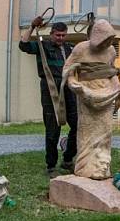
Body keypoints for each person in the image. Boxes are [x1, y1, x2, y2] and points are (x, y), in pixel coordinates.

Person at [19, 16, 78, 175]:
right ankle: (51, 166)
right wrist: (31, 26)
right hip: (50, 89)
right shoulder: (42, 46)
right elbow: (23, 45)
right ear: (52, 34)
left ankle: (67, 159)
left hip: (68, 89)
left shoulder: (70, 49)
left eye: (63, 35)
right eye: (57, 35)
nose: (60, 38)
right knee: (53, 130)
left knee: (78, 125)